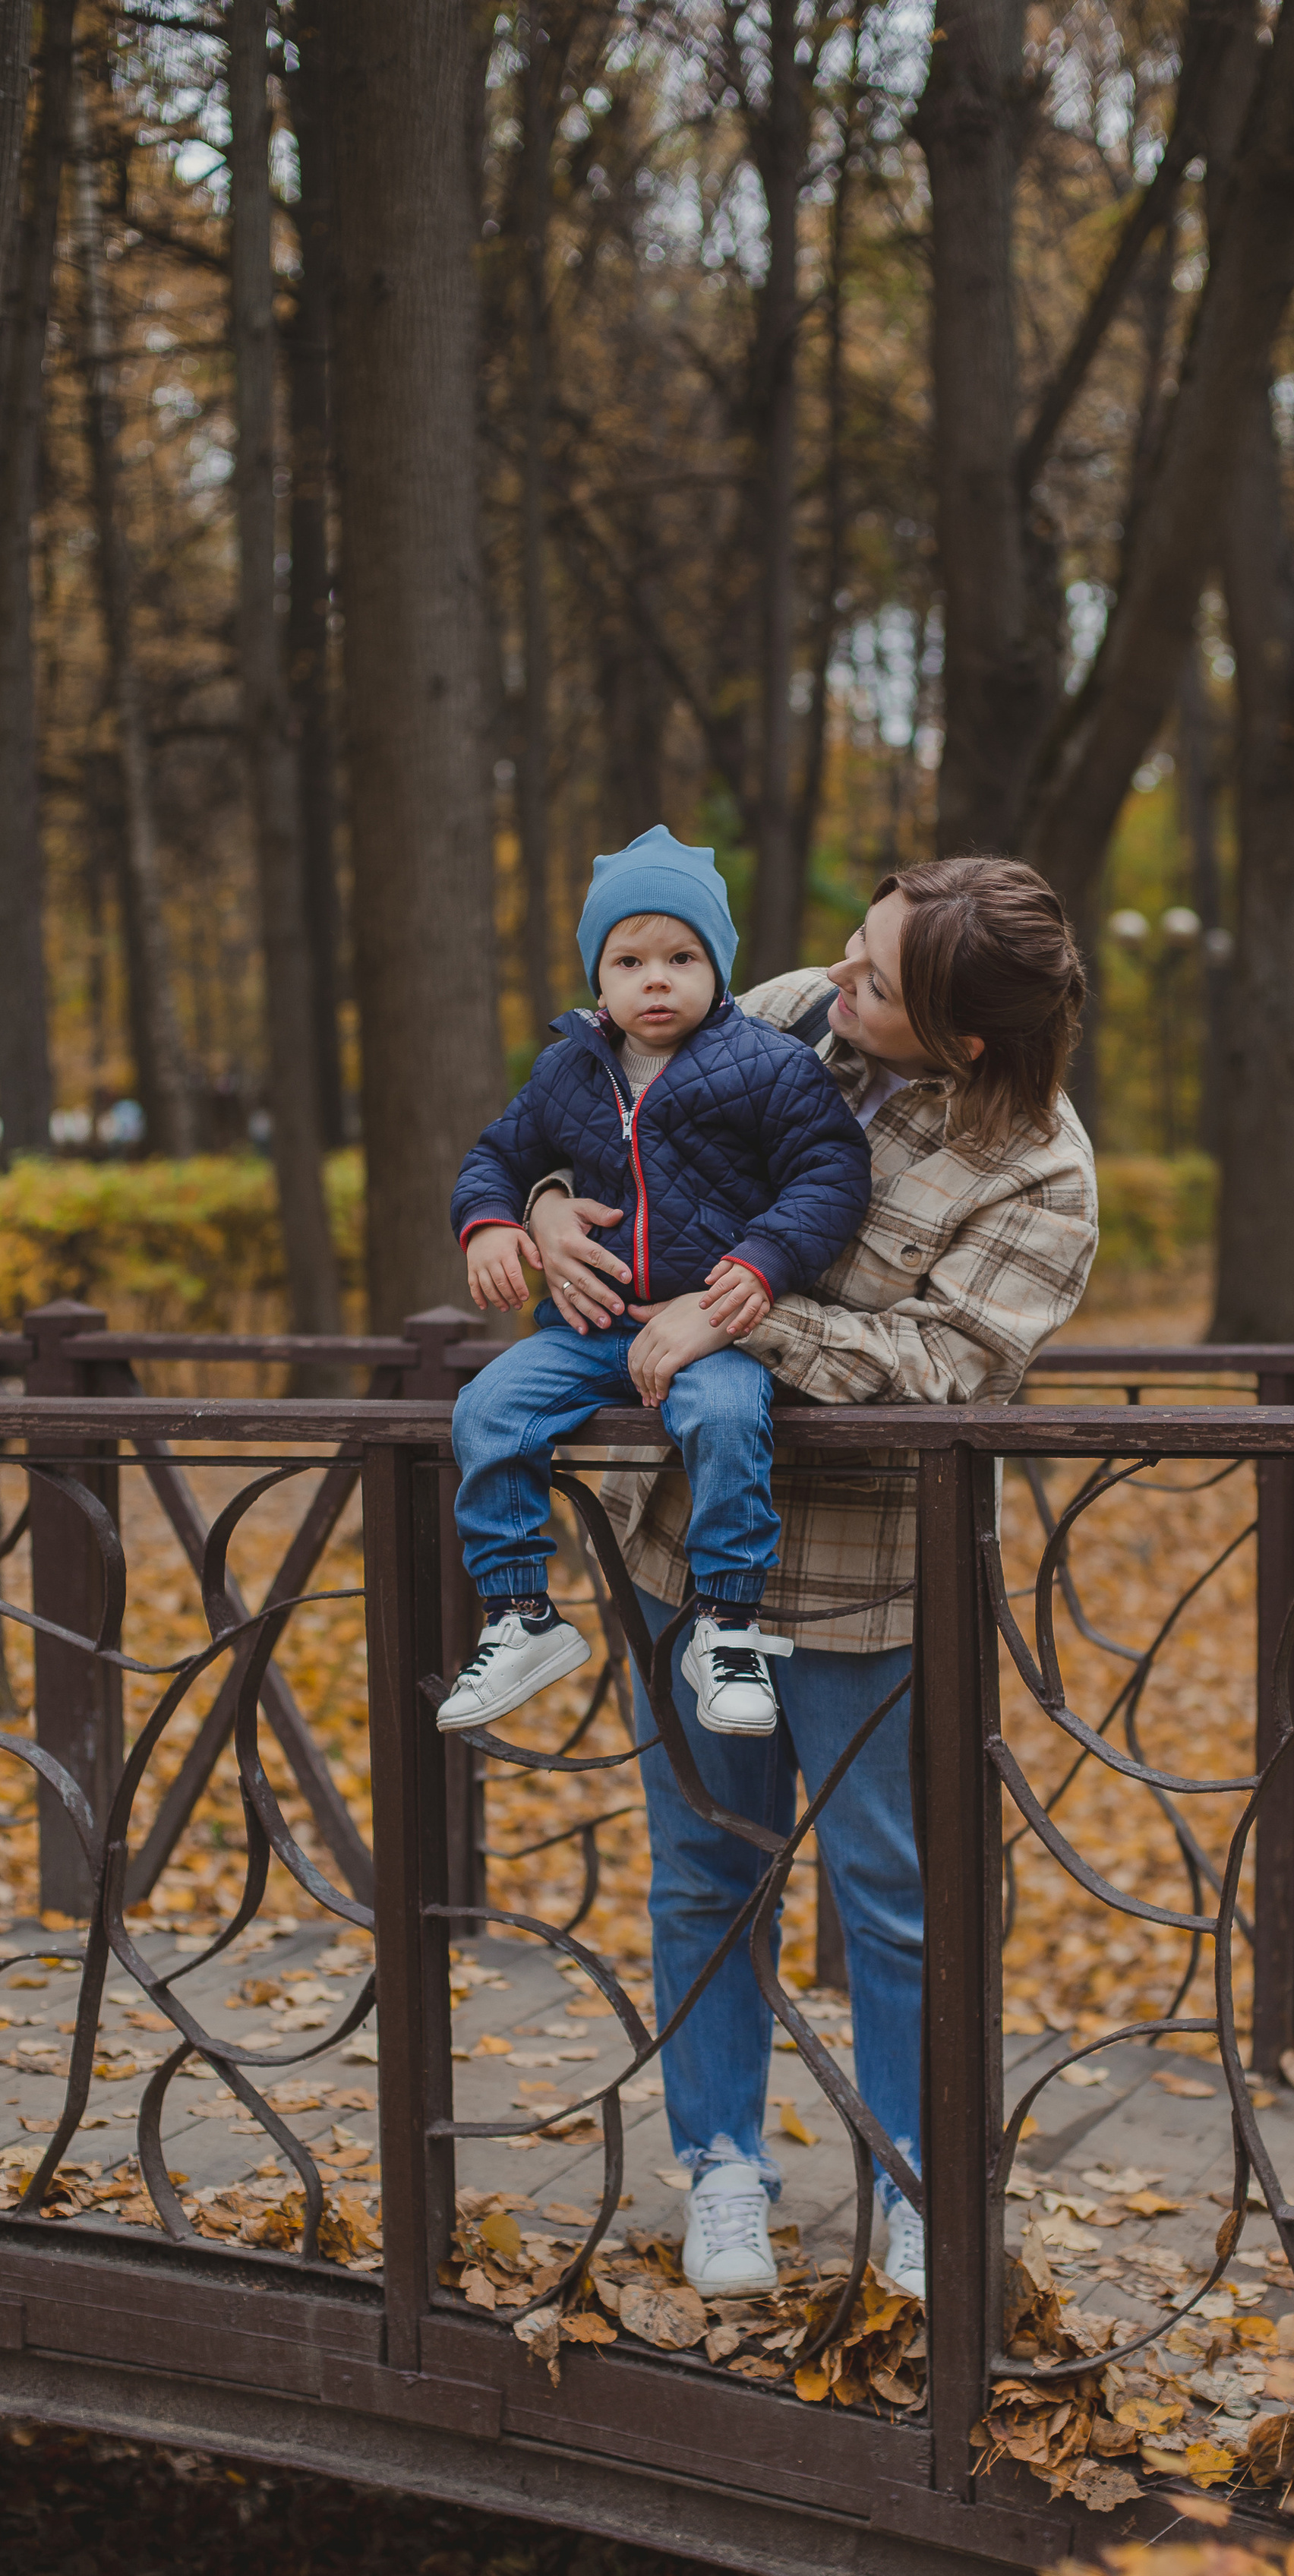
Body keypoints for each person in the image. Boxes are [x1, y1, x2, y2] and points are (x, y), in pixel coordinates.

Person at [519, 857, 1098, 2303]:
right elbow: (591, 1113)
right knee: (705, 1872)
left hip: (867, 1574)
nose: (836, 979)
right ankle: (722, 2164)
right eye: (852, 946)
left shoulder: (1040, 1173)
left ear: (963, 1038)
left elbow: (950, 1369)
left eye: (875, 981)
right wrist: (543, 1204)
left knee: (889, 1892)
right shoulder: (779, 1017)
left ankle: (914, 2180)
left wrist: (741, 1318)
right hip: (688, 1545)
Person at [441, 826, 870, 1743]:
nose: (656, 980)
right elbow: (498, 1157)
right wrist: (494, 1222)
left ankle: (727, 1625)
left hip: (711, 1326)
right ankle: (520, 1613)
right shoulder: (567, 1070)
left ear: (718, 967)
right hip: (588, 1327)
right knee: (487, 1410)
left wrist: (761, 1261)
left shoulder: (767, 1065)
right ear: (598, 978)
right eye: (629, 961)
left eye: (682, 958)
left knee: (726, 1421)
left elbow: (830, 1174)